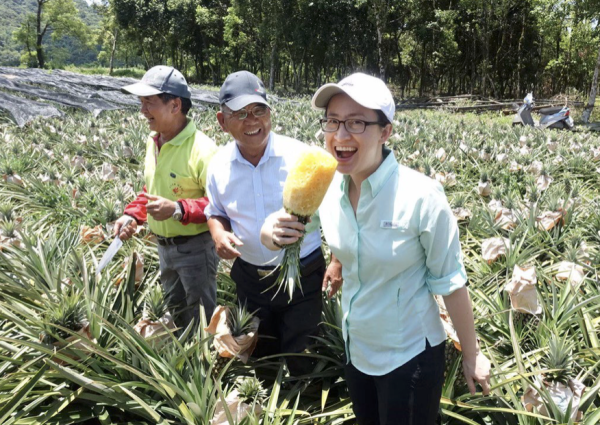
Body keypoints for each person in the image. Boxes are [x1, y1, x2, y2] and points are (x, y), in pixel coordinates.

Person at [261, 73, 491, 424]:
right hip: (356, 350)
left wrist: (472, 356)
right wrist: (269, 232)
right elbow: (286, 225)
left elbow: (452, 284)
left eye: (356, 122)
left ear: (385, 132)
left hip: (409, 355)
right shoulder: (328, 188)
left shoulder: (422, 198)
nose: (340, 135)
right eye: (333, 121)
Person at [205, 70, 334, 376]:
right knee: (260, 355)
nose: (252, 121)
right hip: (251, 280)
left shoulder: (302, 156)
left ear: (270, 114)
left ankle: (303, 409)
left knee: (303, 355)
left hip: (304, 277)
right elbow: (215, 210)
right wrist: (218, 234)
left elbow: (338, 211)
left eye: (259, 110)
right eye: (240, 114)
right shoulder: (218, 166)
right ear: (222, 122)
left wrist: (338, 259)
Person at [114, 65, 219, 330]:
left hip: (195, 250)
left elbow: (221, 205)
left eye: (149, 103)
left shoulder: (203, 150)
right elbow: (151, 190)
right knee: (175, 312)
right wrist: (132, 214)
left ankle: (204, 367)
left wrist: (178, 209)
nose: (142, 111)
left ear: (175, 105)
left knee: (200, 321)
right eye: (141, 103)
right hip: (164, 248)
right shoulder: (154, 141)